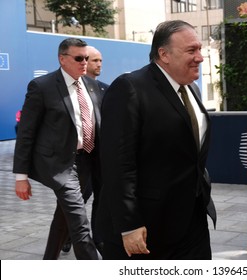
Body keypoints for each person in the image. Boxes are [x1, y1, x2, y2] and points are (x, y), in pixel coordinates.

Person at [97, 19, 217, 260]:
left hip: (191, 217)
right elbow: (118, 164)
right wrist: (129, 224)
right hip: (147, 227)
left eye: (200, 49)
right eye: (191, 50)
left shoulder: (191, 89)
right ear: (164, 54)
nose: (200, 57)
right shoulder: (130, 88)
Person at [13, 37, 102, 260]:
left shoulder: (91, 85)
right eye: (79, 58)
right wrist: (20, 176)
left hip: (87, 160)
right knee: (80, 224)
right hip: (60, 166)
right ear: (62, 59)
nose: (85, 63)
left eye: (87, 58)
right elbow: (26, 133)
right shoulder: (42, 87)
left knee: (64, 217)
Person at [61, 45, 108, 254]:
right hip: (77, 158)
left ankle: (99, 238)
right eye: (94, 60)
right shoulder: (65, 90)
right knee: (78, 199)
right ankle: (67, 234)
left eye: (100, 61)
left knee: (102, 196)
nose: (99, 65)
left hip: (100, 156)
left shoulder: (106, 89)